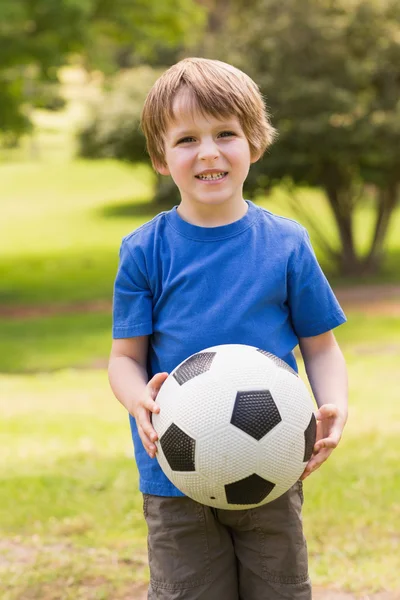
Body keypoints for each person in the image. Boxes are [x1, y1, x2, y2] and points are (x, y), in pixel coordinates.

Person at [108, 57, 348, 600]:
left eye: (225, 134)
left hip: (271, 463)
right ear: (161, 158)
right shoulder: (145, 250)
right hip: (173, 473)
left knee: (280, 591)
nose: (209, 152)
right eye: (187, 139)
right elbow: (125, 357)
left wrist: (335, 404)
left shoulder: (286, 243)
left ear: (254, 144)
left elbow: (322, 345)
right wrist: (137, 402)